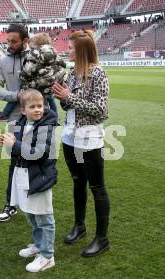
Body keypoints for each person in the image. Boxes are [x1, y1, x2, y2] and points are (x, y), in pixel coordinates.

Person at [52, 30, 110, 257]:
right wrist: (63, 98)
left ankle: (102, 238)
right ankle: (80, 226)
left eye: (71, 47)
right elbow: (68, 107)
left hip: (90, 137)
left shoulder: (98, 74)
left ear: (82, 50)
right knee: (78, 182)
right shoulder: (70, 74)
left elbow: (101, 110)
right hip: (70, 135)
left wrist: (69, 97)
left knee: (97, 187)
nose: (67, 50)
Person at [0, 89, 58, 272]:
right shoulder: (20, 123)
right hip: (24, 175)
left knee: (44, 217)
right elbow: (13, 153)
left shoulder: (46, 126)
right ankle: (38, 245)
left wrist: (14, 145)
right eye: (32, 107)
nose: (38, 110)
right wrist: (8, 143)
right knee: (31, 214)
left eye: (40, 106)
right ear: (23, 110)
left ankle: (47, 256)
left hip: (40, 177)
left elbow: (39, 154)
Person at [0, 24, 28, 222]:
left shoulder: (35, 59)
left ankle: (34, 202)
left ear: (25, 41)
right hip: (14, 120)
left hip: (38, 120)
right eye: (8, 41)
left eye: (14, 41)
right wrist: (15, 95)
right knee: (15, 162)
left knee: (38, 160)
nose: (10, 45)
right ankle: (11, 203)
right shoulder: (3, 62)